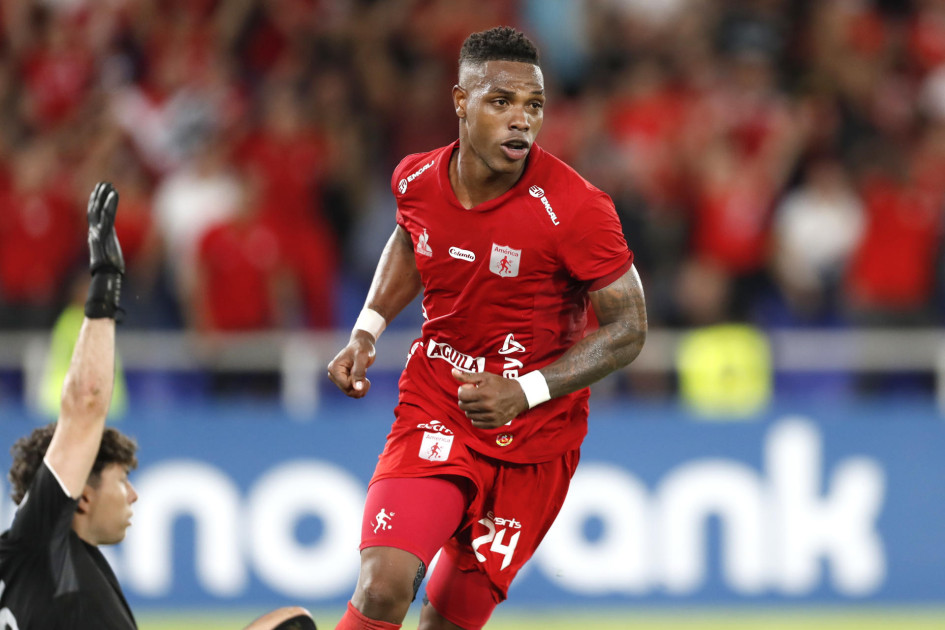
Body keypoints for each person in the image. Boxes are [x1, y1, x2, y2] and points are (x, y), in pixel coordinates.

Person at [327, 26, 647, 630]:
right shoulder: (415, 180)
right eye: (501, 102)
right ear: (460, 102)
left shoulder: (577, 208)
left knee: (447, 622)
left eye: (534, 106)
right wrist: (366, 329)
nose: (521, 121)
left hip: (536, 440)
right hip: (439, 407)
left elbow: (629, 328)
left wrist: (523, 391)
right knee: (383, 584)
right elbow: (411, 236)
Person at [0, 182, 316, 630]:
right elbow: (86, 404)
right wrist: (105, 283)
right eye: (121, 480)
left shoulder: (54, 573)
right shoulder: (40, 541)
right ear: (81, 494)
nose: (133, 494)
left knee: (291, 621)